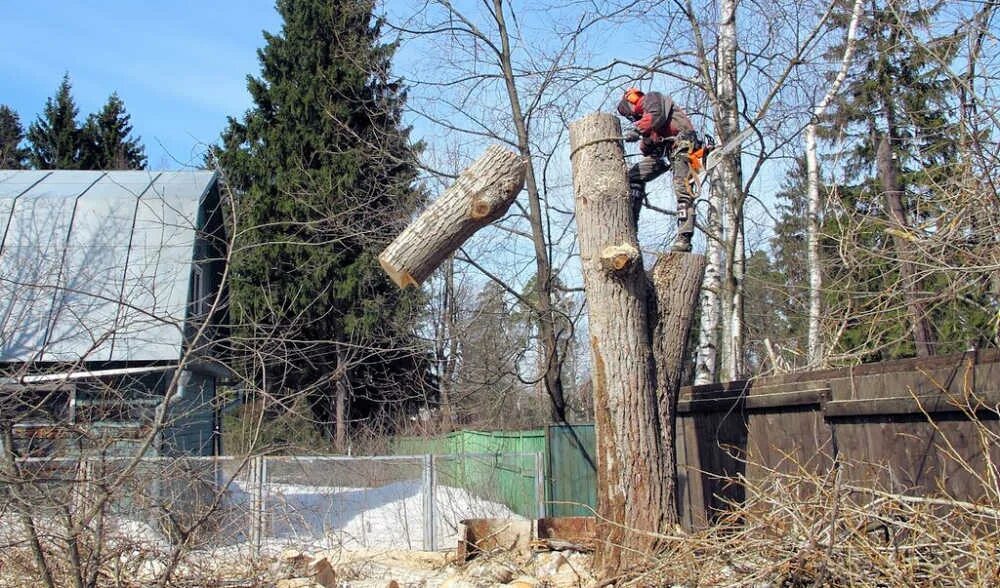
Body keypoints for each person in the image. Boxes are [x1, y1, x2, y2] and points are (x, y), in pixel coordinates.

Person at [617, 87, 700, 252]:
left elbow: (656, 116)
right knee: (633, 175)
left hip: (684, 144)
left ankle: (684, 237)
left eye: (629, 114)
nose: (632, 118)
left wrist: (637, 130)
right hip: (667, 151)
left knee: (682, 190)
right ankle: (631, 227)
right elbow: (649, 145)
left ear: (631, 103)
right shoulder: (650, 120)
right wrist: (644, 141)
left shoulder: (652, 99)